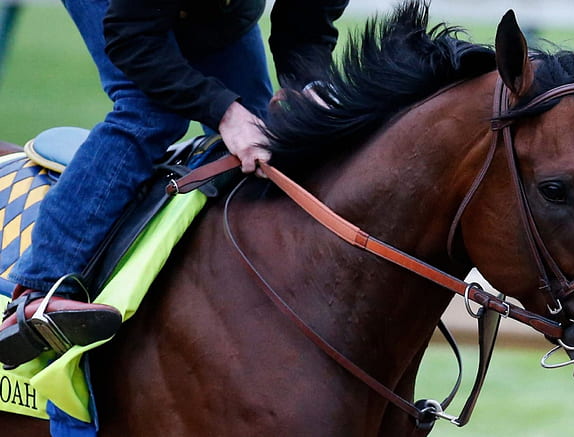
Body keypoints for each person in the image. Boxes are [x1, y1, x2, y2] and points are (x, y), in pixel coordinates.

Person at [0, 0, 349, 369]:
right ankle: (41, 290)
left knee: (260, 143)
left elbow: (307, 19)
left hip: (219, 9)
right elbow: (132, 38)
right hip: (128, 16)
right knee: (150, 112)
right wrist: (225, 113)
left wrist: (310, 83)